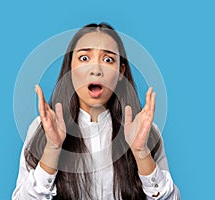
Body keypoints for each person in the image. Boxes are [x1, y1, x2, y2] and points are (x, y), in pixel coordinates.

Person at [12, 23, 181, 200]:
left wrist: (141, 152)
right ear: (70, 68)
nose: (96, 70)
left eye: (108, 60)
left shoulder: (144, 131)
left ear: (120, 71)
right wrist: (52, 149)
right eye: (84, 58)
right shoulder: (43, 128)